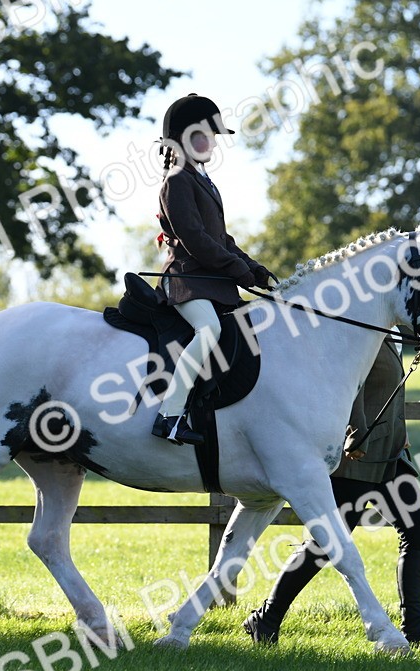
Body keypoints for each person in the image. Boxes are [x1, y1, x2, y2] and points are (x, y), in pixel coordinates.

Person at [242, 340, 420, 646]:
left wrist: (401, 430)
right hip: (356, 456)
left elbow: (386, 390)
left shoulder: (386, 330)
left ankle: (416, 631)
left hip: (389, 454)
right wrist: (355, 432)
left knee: (418, 531)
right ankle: (265, 619)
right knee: (324, 543)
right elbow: (349, 386)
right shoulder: (360, 334)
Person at [152, 93, 275, 446]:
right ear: (185, 139)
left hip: (209, 280)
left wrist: (253, 267)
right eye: (207, 135)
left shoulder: (203, 180)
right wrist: (236, 269)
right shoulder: (176, 180)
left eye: (214, 137)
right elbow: (194, 238)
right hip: (187, 280)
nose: (213, 144)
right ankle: (169, 417)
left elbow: (220, 238)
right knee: (209, 330)